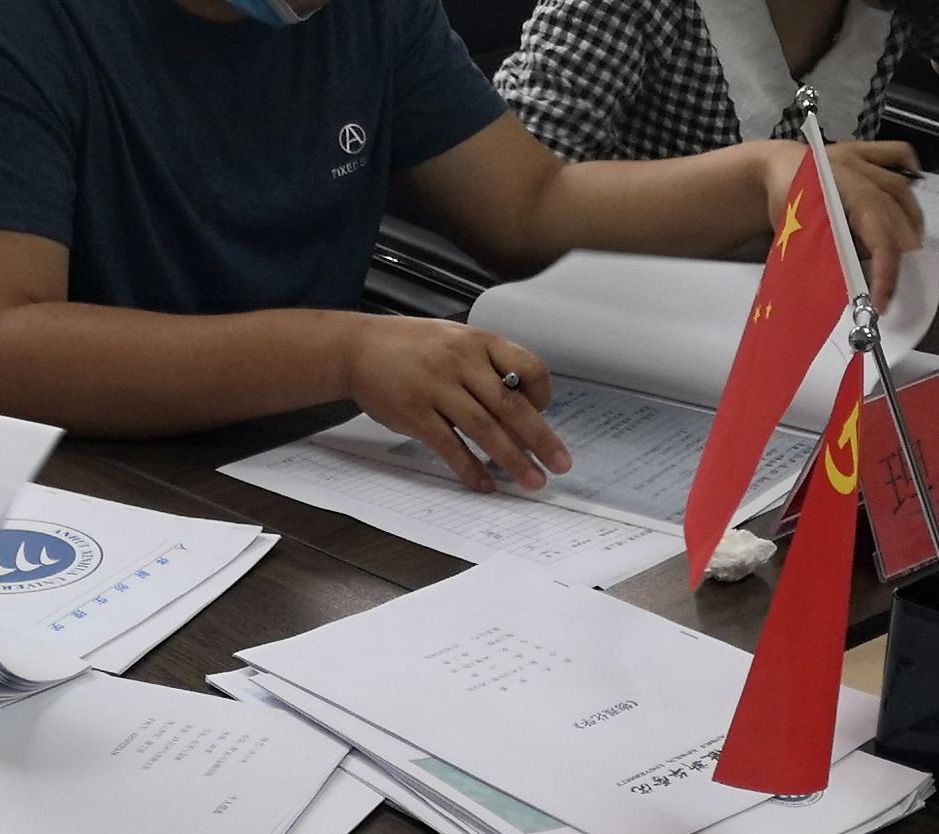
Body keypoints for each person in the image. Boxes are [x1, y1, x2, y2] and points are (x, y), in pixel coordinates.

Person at [0, 0, 922, 497]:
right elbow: (16, 340)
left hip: (305, 464)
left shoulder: (367, 16)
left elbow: (529, 203)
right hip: (83, 486)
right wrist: (343, 349)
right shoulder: (36, 30)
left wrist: (759, 175)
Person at [495, 0, 939, 160]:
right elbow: (517, 188)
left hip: (812, 296)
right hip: (632, 300)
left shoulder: (893, 11)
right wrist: (749, 187)